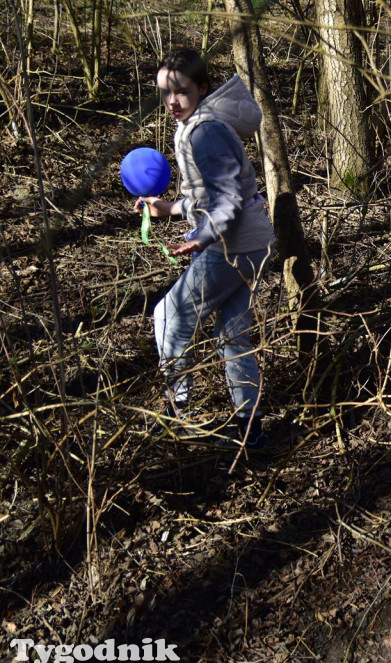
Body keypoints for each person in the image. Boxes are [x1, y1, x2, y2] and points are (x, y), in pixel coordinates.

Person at [134, 47, 276, 447]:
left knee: (169, 315)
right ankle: (251, 428)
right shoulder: (198, 124)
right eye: (165, 92)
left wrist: (201, 236)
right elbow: (210, 194)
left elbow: (227, 199)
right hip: (252, 242)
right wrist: (170, 208)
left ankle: (175, 412)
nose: (172, 101)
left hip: (234, 246)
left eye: (181, 90)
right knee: (232, 334)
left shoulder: (205, 131)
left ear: (202, 86)